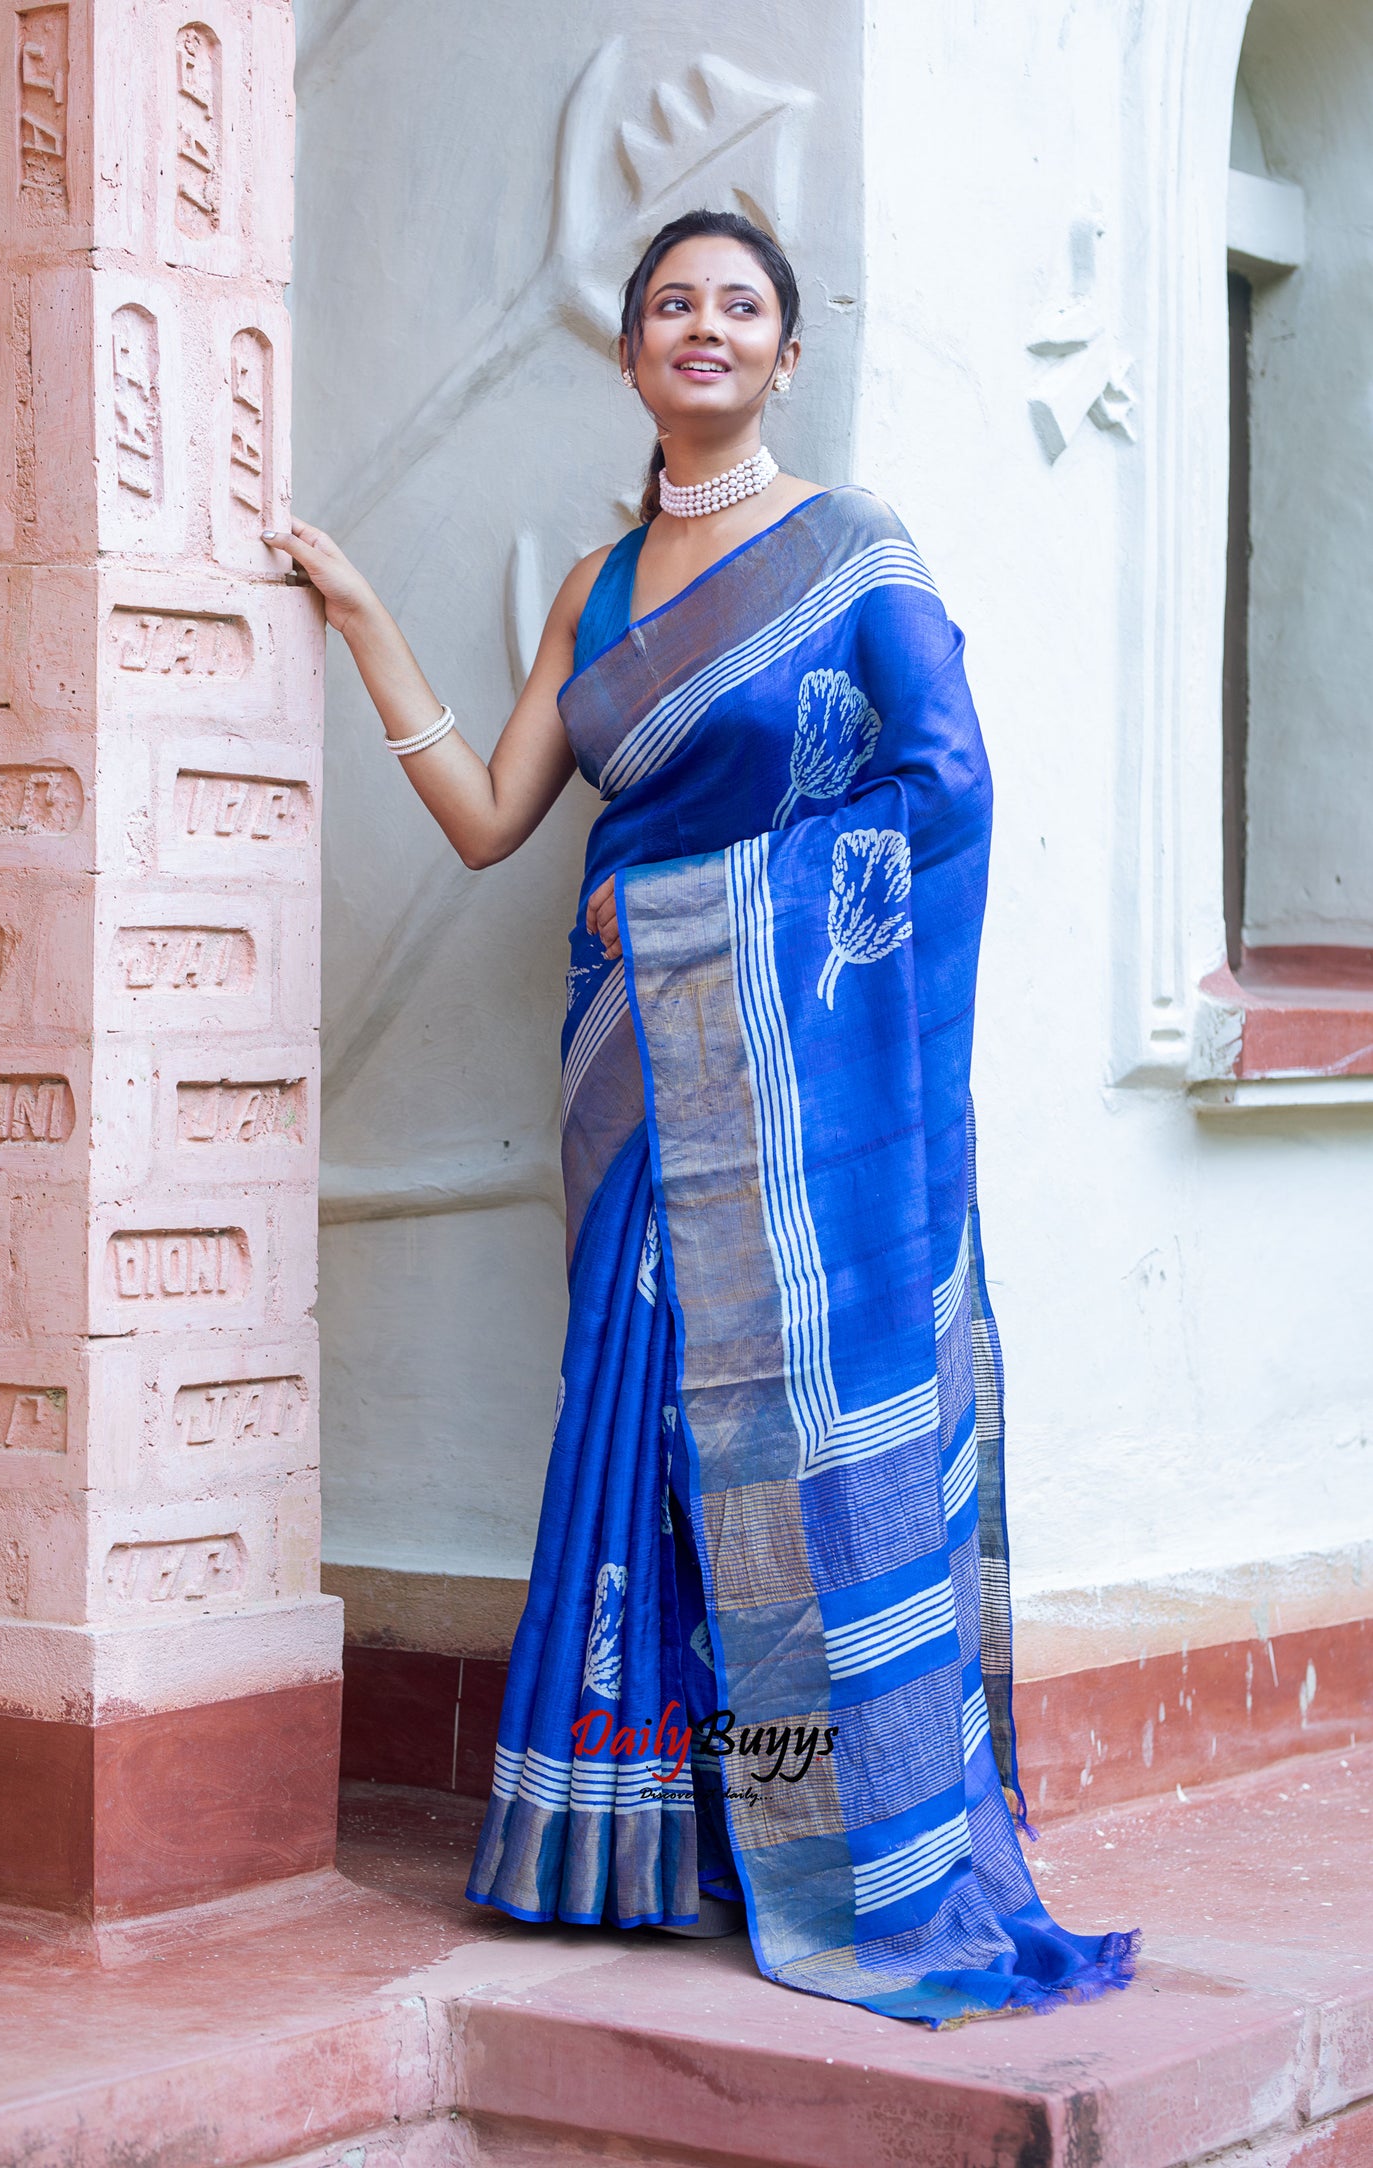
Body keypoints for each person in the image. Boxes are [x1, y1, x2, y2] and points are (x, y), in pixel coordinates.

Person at [266, 208, 1137, 2026]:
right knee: (655, 1421)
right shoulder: (595, 591)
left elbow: (946, 792)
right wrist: (361, 621)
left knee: (782, 1430)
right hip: (628, 1071)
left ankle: (816, 1834)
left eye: (741, 306)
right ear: (630, 353)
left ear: (786, 356)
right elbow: (493, 820)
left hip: (783, 1071)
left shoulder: (852, 553)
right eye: (673, 304)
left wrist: (717, 916)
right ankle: (638, 1834)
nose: (705, 327)